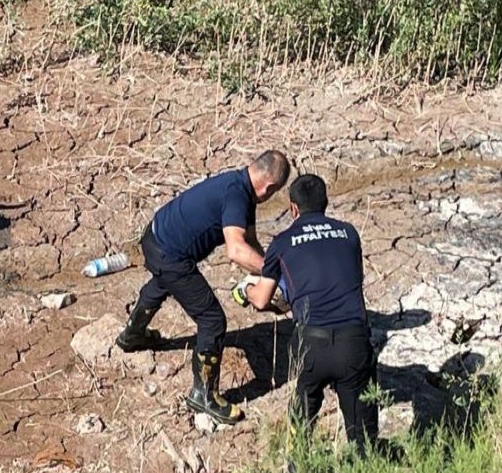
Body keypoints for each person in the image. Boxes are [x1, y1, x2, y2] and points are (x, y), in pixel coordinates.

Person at [116, 150, 290, 424]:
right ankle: (204, 395)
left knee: (163, 281)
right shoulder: (237, 197)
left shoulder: (239, 185)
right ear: (270, 188)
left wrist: (269, 275)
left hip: (155, 236)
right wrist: (277, 276)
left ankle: (132, 335)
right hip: (169, 255)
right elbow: (235, 250)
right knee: (212, 320)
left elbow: (251, 242)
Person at [240, 174, 377, 451]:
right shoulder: (349, 233)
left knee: (301, 420)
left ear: (293, 208)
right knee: (362, 439)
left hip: (312, 346)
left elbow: (262, 299)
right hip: (353, 343)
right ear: (326, 202)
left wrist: (245, 291)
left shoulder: (282, 241)